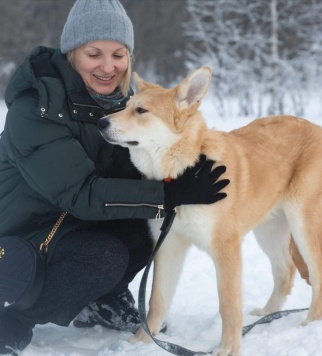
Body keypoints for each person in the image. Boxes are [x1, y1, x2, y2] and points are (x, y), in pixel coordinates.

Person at [0, 0, 229, 355]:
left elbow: (133, 167)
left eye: (118, 55)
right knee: (103, 255)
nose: (108, 67)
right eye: (94, 54)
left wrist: (186, 165)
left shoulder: (115, 103)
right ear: (72, 52)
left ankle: (99, 299)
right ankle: (18, 319)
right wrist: (167, 195)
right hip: (23, 237)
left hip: (73, 224)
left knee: (148, 227)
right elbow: (81, 194)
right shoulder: (36, 109)